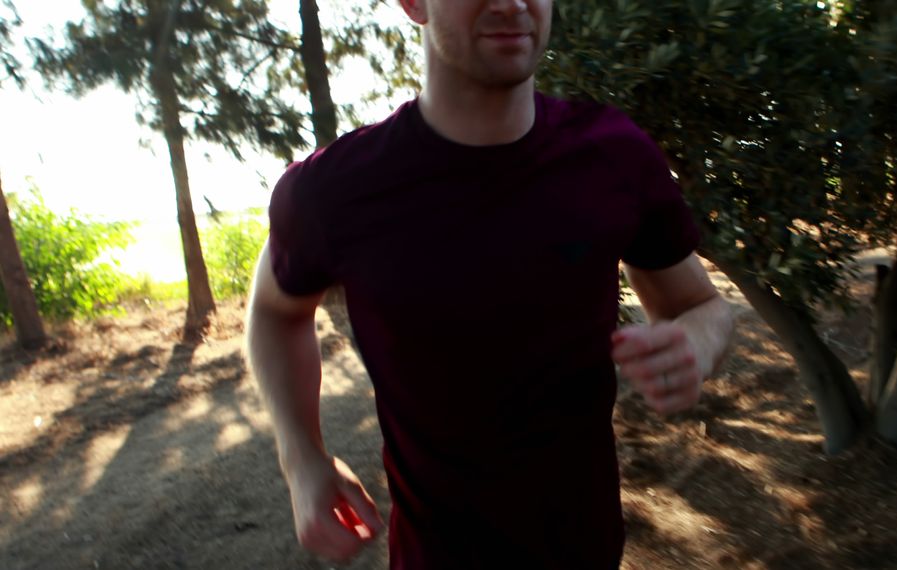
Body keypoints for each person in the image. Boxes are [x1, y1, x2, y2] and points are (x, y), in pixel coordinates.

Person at [245, 0, 736, 567]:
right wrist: (302, 460)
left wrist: (695, 343)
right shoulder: (333, 191)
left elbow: (701, 306)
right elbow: (274, 311)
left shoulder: (613, 155)